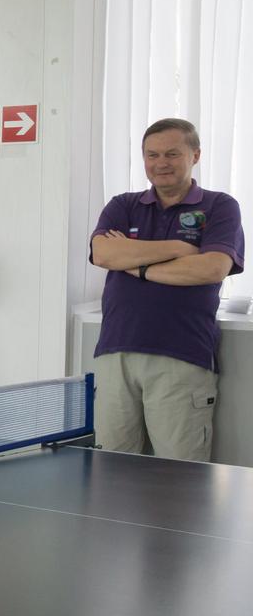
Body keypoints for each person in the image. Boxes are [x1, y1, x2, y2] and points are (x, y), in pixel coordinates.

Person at [89, 117, 244, 461]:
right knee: (111, 468)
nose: (161, 163)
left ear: (195, 155)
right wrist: (178, 248)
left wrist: (132, 262)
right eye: (152, 154)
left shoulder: (220, 206)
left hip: (182, 354)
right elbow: (102, 253)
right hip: (116, 353)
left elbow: (211, 268)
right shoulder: (122, 205)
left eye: (172, 154)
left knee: (179, 475)